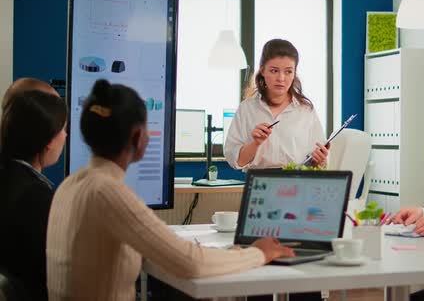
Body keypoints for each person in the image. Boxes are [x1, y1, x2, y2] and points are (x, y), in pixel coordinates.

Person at [46, 80, 294, 300]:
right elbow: (191, 263)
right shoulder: (108, 193)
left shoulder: (70, 185)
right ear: (137, 137)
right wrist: (257, 253)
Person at [0, 90, 68, 301]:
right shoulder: (36, 197)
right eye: (63, 129)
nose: (66, 136)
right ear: (49, 141)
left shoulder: (9, 178)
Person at [224, 38, 329, 170]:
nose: (281, 78)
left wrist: (320, 159)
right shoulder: (247, 108)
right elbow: (236, 161)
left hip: (298, 181)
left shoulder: (305, 110)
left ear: (294, 73)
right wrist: (255, 143)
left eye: (288, 71)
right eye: (274, 71)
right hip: (260, 183)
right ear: (263, 71)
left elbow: (318, 162)